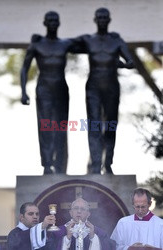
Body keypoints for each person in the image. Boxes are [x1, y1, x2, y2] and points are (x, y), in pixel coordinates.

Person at [73, 8, 134, 174]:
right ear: (95, 20)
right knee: (94, 126)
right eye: (99, 17)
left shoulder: (116, 41)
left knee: (110, 126)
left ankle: (108, 163)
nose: (102, 20)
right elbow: (65, 44)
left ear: (109, 20)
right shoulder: (88, 40)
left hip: (111, 87)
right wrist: (40, 40)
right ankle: (95, 165)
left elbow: (131, 61)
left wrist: (120, 64)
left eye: (104, 17)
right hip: (93, 87)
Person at [20, 11, 75, 174]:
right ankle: (46, 164)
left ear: (59, 23)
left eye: (55, 20)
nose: (52, 23)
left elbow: (90, 46)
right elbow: (24, 67)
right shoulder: (37, 44)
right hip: (44, 88)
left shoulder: (65, 44)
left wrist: (109, 36)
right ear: (45, 23)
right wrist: (23, 91)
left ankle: (60, 165)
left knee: (61, 127)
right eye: (49, 20)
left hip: (60, 88)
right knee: (45, 127)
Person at [46, 197, 115, 250]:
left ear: (88, 214)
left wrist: (93, 238)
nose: (79, 211)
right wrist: (67, 238)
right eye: (76, 208)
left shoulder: (100, 233)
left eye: (82, 209)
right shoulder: (58, 232)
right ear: (71, 213)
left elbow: (110, 247)